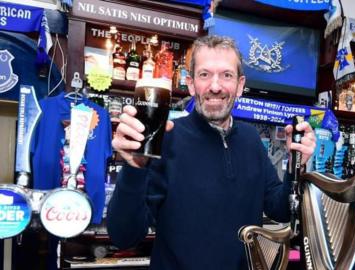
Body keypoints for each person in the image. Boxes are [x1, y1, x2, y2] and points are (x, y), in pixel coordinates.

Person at [107, 35, 316, 270]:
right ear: (191, 83)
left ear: (239, 85)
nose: (215, 87)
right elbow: (124, 235)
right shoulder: (166, 139)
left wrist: (295, 162)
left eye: (226, 75)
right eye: (205, 74)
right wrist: (134, 168)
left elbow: (280, 209)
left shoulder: (251, 140)